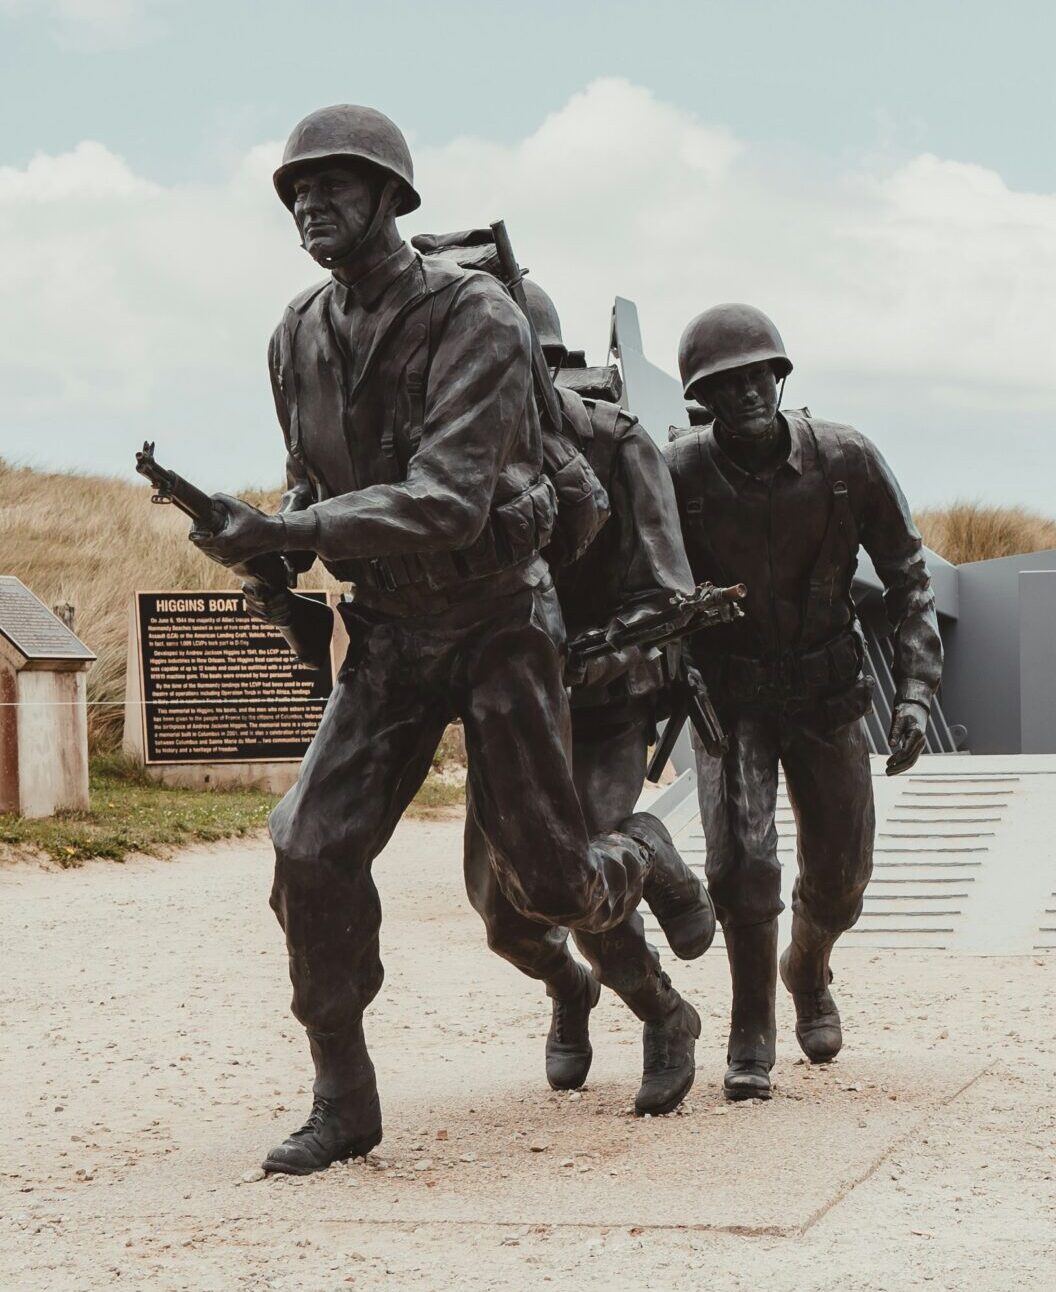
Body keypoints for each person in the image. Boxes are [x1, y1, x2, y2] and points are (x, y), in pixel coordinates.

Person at [189, 104, 713, 1174]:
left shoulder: (476, 314)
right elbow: (313, 482)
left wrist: (291, 530)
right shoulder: (296, 331)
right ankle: (345, 1097)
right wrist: (266, 543)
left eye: (332, 185)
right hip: (389, 629)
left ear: (391, 194)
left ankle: (647, 900)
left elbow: (450, 498)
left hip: (496, 622)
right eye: (295, 191)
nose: (309, 205)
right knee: (307, 848)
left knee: (548, 883)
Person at [663, 303, 942, 1100]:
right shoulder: (676, 473)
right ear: (702, 398)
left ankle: (808, 968)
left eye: (759, 376)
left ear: (779, 378)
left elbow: (907, 578)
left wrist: (915, 690)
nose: (748, 393)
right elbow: (644, 581)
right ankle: (750, 1027)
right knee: (739, 866)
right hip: (731, 697)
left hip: (825, 694)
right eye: (727, 383)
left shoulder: (845, 459)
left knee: (842, 877)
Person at [459, 276, 704, 1116]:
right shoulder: (454, 457)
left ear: (543, 361)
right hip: (508, 713)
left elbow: (669, 588)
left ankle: (664, 1014)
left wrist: (605, 652)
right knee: (502, 917)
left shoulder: (617, 443)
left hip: (602, 704)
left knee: (578, 876)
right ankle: (570, 988)